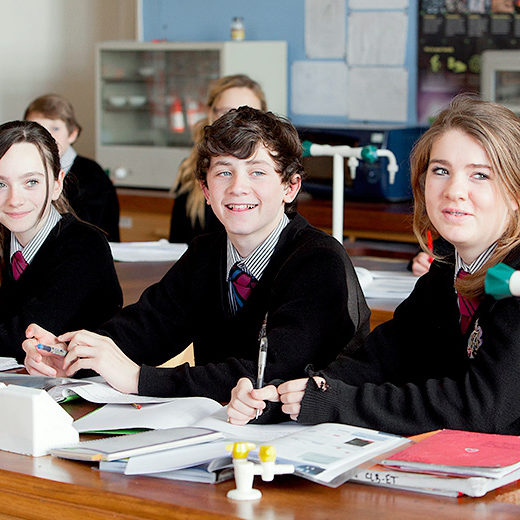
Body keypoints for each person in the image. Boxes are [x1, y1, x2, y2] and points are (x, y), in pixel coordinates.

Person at [22, 107, 370, 402]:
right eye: (224, 172)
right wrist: (71, 354)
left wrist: (139, 379)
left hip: (309, 434)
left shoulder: (318, 261)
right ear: (205, 189)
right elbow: (146, 327)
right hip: (220, 427)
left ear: (290, 187)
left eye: (257, 172)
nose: (238, 187)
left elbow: (271, 373)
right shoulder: (207, 252)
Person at [227, 95, 520, 436]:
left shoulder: (516, 280)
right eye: (441, 171)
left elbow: (481, 408)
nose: (455, 190)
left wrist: (337, 403)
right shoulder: (446, 272)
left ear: (515, 192)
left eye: (480, 175)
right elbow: (381, 360)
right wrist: (281, 397)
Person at [0, 120, 122, 360]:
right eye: (1, 184)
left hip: (84, 382)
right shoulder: (11, 240)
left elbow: (23, 335)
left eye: (31, 182)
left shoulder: (84, 245)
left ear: (57, 184)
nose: (15, 200)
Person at [169, 74, 266, 243]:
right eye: (227, 113)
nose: (236, 123)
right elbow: (177, 241)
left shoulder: (273, 173)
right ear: (211, 114)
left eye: (248, 115)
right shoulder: (190, 168)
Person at [24, 94, 120, 242]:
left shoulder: (92, 175)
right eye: (37, 128)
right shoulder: (22, 171)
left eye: (55, 128)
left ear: (72, 134)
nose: (46, 136)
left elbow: (96, 231)